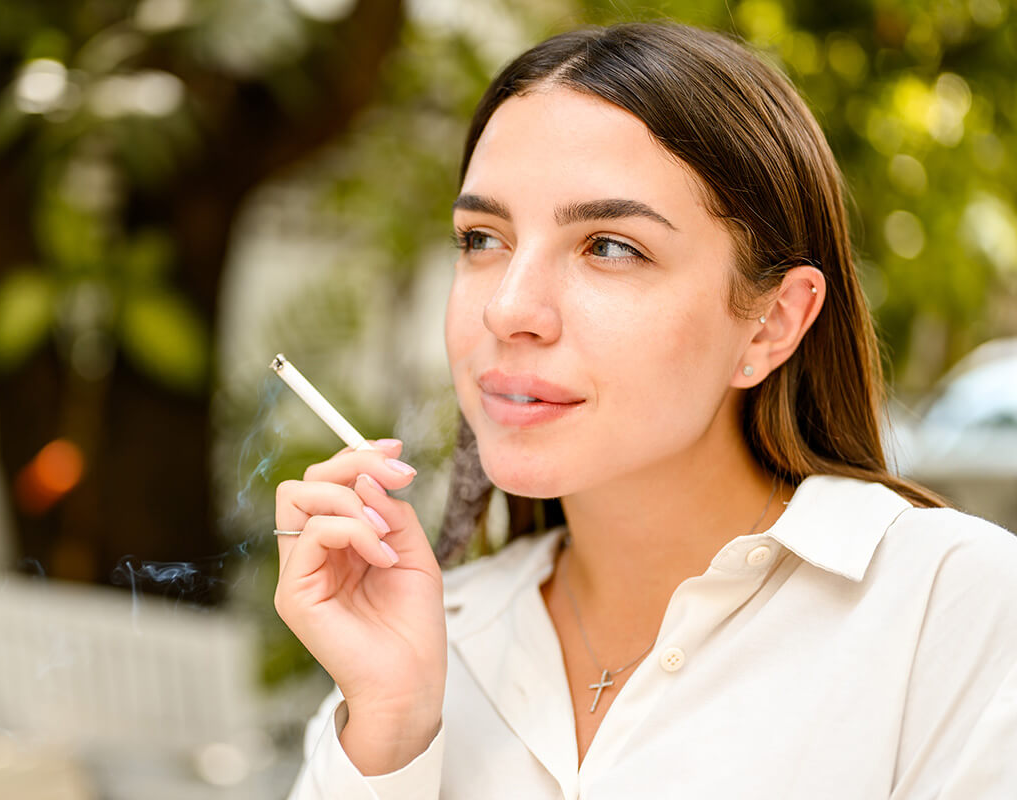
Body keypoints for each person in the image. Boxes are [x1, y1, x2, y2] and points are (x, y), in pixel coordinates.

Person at [271, 21, 1017, 800]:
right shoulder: (423, 645)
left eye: (611, 247)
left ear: (771, 323)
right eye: (482, 237)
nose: (509, 308)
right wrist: (391, 733)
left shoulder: (950, 609)